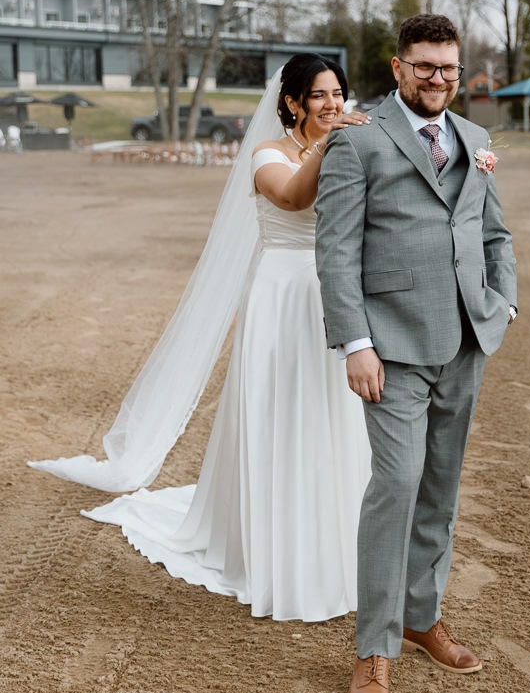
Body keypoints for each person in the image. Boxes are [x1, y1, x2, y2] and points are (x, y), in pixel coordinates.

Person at [30, 54, 372, 622]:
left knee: (330, 415)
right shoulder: (268, 154)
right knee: (282, 413)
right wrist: (328, 143)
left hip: (334, 292)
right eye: (319, 95)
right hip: (282, 295)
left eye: (338, 93)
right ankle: (273, 547)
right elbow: (290, 198)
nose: (333, 104)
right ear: (292, 103)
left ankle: (335, 538)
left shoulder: (349, 142)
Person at [315, 14, 518, 693]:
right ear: (398, 68)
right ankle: (373, 649)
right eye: (424, 66)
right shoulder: (358, 139)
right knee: (396, 487)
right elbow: (335, 250)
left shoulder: (476, 139)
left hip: (466, 342)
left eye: (448, 68)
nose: (437, 79)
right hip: (392, 348)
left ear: (459, 73)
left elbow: (494, 233)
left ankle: (421, 617)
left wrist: (503, 305)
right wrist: (354, 343)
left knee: (439, 489)